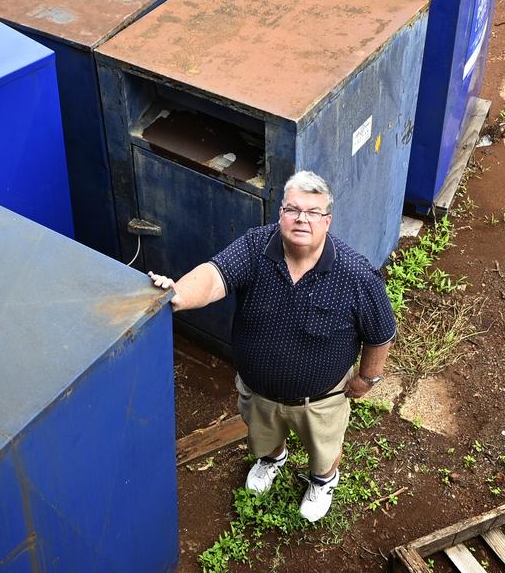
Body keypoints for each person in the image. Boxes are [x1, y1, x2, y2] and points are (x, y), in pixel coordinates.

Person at [149, 170, 395, 522]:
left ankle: (323, 481)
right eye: (293, 209)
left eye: (312, 212)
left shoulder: (355, 275)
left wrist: (367, 379)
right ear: (280, 214)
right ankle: (272, 459)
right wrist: (178, 294)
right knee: (265, 436)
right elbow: (215, 275)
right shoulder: (255, 247)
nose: (301, 219)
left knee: (323, 451)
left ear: (328, 221)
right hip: (259, 390)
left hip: (320, 400)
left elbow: (380, 333)